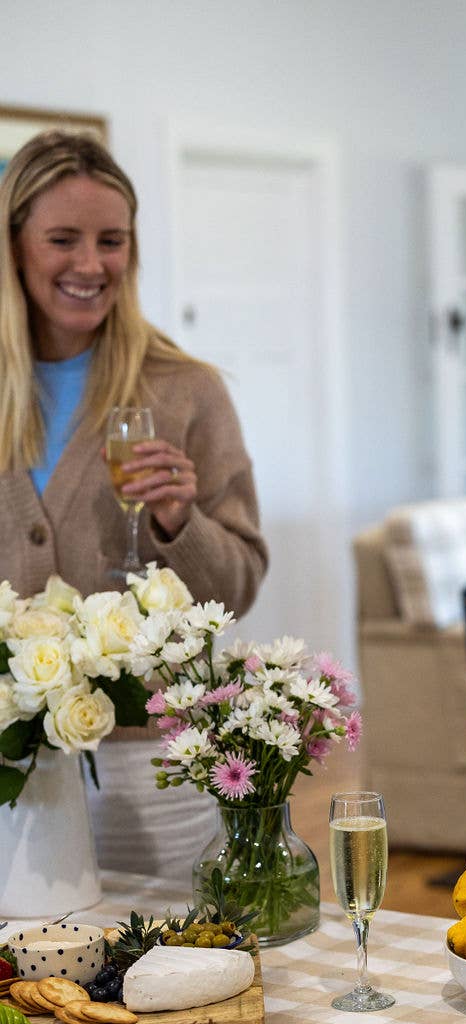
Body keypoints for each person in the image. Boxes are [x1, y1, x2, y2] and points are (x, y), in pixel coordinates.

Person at [0, 131, 268, 879]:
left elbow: (239, 585)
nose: (91, 265)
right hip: (7, 766)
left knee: (162, 948)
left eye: (111, 241)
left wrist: (181, 523)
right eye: (63, 239)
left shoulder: (185, 390)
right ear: (14, 244)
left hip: (147, 771)